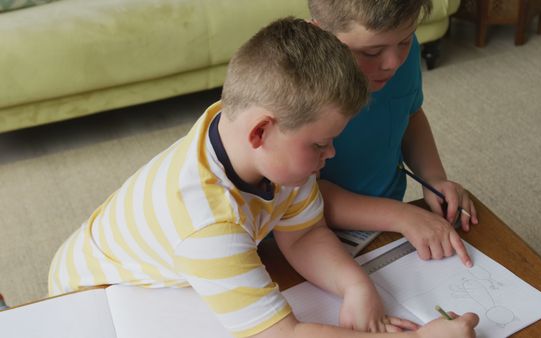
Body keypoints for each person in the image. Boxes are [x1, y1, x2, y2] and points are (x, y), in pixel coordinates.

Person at [48, 18, 478, 338]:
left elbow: (304, 234)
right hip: (90, 296)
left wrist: (355, 285)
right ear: (260, 132)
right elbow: (284, 335)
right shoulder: (209, 226)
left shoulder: (250, 141)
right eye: (319, 145)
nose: (329, 156)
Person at [309, 0, 479, 267]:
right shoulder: (300, 88)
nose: (393, 63)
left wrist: (434, 178)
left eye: (405, 41)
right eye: (371, 51)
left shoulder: (402, 56)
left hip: (386, 219)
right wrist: (402, 216)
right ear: (321, 36)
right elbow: (305, 196)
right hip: (311, 231)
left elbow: (409, 114)